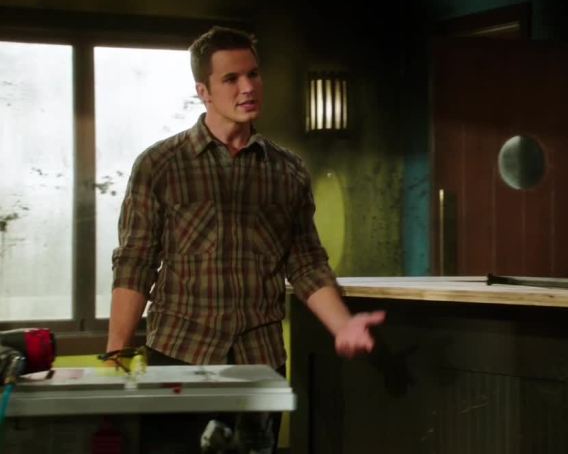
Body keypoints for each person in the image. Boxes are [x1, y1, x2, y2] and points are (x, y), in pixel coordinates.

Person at [106, 26, 385, 453]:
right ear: (203, 91)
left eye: (253, 74)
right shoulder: (160, 165)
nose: (248, 87)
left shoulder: (287, 171)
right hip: (181, 355)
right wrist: (117, 353)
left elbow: (306, 263)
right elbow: (135, 262)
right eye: (231, 78)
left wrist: (342, 324)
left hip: (259, 361)